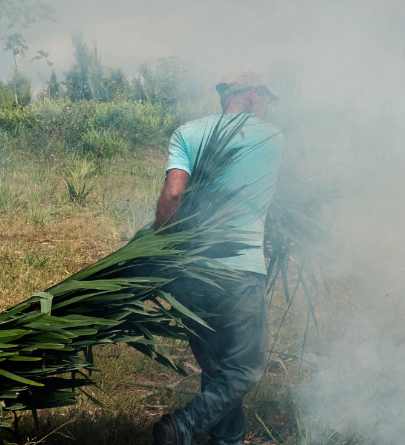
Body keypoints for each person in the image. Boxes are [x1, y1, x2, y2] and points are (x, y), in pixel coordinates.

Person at [152, 69, 284, 445]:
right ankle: (183, 426)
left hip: (190, 275)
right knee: (246, 369)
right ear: (255, 94)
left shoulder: (188, 131)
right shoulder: (273, 137)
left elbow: (173, 195)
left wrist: (164, 252)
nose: (270, 109)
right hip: (239, 273)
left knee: (217, 370)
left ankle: (227, 441)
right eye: (269, 101)